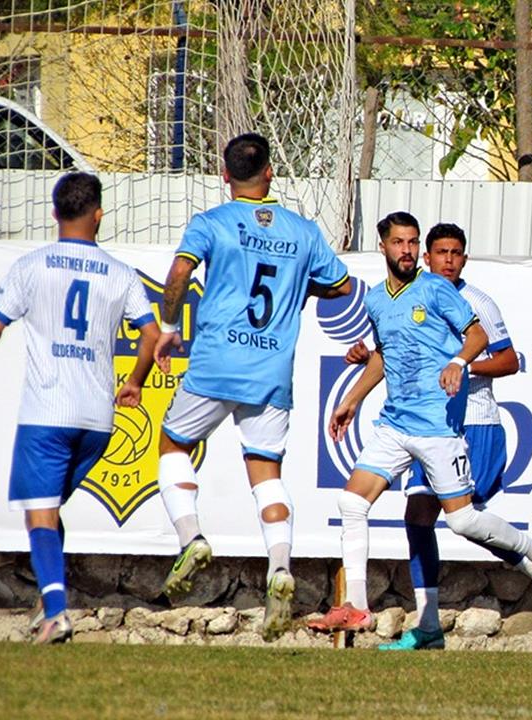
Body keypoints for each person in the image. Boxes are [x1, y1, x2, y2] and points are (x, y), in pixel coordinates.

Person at [307, 212, 532, 635]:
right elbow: (385, 353)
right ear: (384, 247)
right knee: (353, 503)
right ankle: (358, 606)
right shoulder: (375, 300)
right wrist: (351, 399)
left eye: (413, 243)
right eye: (400, 243)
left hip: (439, 427)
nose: (408, 251)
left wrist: (458, 362)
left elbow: (480, 337)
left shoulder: (437, 290)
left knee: (463, 520)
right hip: (395, 424)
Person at [152, 132, 352, 642]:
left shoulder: (211, 223)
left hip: (217, 363)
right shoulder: (302, 232)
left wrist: (169, 326)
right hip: (270, 370)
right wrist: (301, 281)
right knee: (266, 472)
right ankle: (281, 568)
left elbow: (178, 274)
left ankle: (191, 537)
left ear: (226, 176)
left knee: (173, 442)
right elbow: (342, 285)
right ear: (269, 173)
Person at [0, 172, 159, 644]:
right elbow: (151, 333)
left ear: (55, 213)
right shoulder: (120, 273)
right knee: (51, 509)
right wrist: (136, 381)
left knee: (39, 514)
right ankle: (46, 604)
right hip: (98, 420)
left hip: (47, 412)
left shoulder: (32, 265)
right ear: (98, 214)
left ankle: (57, 611)